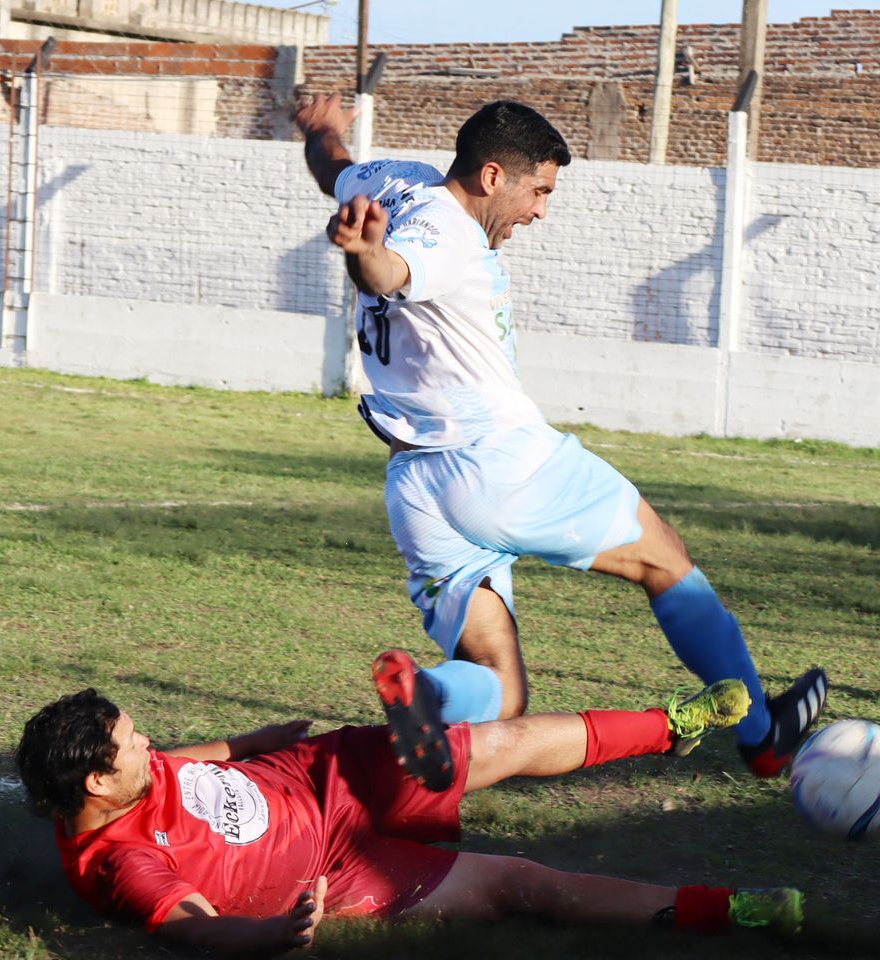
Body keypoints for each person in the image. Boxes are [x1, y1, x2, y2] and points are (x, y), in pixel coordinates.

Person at [292, 93, 826, 782]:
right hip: (501, 463)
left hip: (417, 484)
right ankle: (762, 734)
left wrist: (324, 130)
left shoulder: (396, 182)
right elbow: (394, 273)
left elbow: (333, 168)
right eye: (537, 190)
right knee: (664, 561)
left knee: (502, 686)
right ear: (492, 177)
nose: (540, 209)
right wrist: (366, 256)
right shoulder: (446, 234)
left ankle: (428, 694)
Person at [16, 671, 805, 956]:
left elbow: (178, 761)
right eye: (129, 742)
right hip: (340, 870)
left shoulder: (128, 774)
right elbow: (190, 925)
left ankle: (674, 725)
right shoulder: (119, 864)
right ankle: (728, 913)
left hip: (329, 772)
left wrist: (251, 741)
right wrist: (271, 935)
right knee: (517, 883)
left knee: (495, 743)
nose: (146, 742)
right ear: (93, 785)